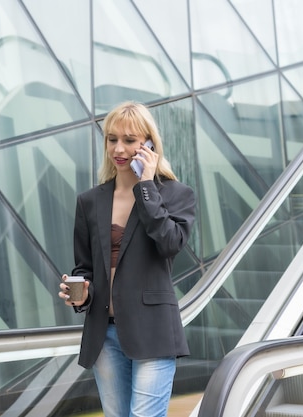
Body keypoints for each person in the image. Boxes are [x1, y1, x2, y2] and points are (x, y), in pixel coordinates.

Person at [58, 101, 195, 417]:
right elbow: (85, 267)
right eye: (112, 139)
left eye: (130, 140)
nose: (119, 148)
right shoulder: (90, 202)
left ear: (148, 144)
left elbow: (171, 244)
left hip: (153, 331)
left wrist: (146, 187)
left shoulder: (176, 194)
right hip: (104, 334)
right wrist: (79, 293)